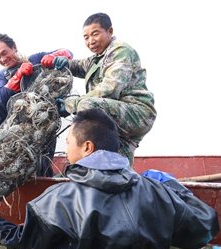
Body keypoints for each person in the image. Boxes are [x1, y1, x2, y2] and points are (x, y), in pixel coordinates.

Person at [0, 108, 219, 249]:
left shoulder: (57, 200)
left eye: (68, 143)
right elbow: (205, 227)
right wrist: (170, 185)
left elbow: (24, 244)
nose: (66, 151)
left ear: (87, 147)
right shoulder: (156, 192)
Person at [48, 12, 156, 165]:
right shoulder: (98, 57)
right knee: (118, 161)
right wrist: (66, 63)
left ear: (110, 31)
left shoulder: (120, 51)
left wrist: (70, 104)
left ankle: (83, 162)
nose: (91, 41)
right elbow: (80, 66)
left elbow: (110, 89)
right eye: (86, 37)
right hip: (118, 114)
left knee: (88, 106)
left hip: (137, 113)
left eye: (95, 34)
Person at [0, 33, 73, 176]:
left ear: (14, 48)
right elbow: (0, 97)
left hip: (39, 122)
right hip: (10, 123)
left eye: (4, 53)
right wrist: (18, 76)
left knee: (40, 167)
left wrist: (55, 56)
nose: (3, 59)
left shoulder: (34, 59)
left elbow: (68, 52)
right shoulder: (1, 75)